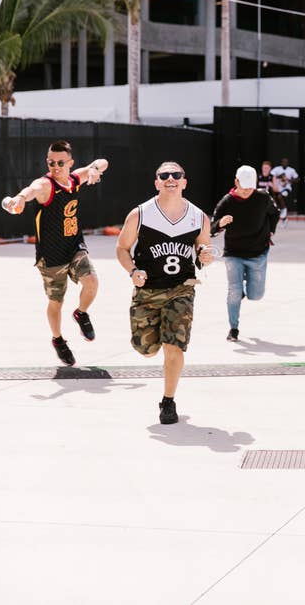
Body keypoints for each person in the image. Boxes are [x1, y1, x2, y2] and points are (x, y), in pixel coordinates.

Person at [115, 161, 215, 424]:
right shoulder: (140, 214)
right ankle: (153, 341)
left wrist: (207, 256)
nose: (171, 178)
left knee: (174, 347)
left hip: (181, 289)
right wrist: (132, 271)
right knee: (146, 349)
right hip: (147, 291)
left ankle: (168, 401)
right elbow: (122, 248)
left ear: (184, 182)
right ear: (157, 182)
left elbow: (204, 253)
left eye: (176, 175)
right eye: (164, 175)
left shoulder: (198, 217)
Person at [2, 140, 109, 366]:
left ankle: (81, 313)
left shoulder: (75, 179)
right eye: (51, 162)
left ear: (70, 163)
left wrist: (94, 169)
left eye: (61, 162)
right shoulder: (45, 185)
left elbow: (103, 162)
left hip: (74, 247)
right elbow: (31, 190)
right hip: (50, 256)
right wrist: (19, 199)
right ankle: (58, 340)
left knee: (92, 281)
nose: (55, 167)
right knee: (56, 301)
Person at [210, 165, 280, 342]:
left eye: (251, 187)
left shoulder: (262, 197)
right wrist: (220, 224)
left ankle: (244, 290)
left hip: (258, 252)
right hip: (233, 253)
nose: (247, 191)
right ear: (236, 182)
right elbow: (210, 230)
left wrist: (271, 231)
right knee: (234, 291)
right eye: (244, 187)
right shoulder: (227, 201)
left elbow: (275, 213)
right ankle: (233, 329)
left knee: (256, 295)